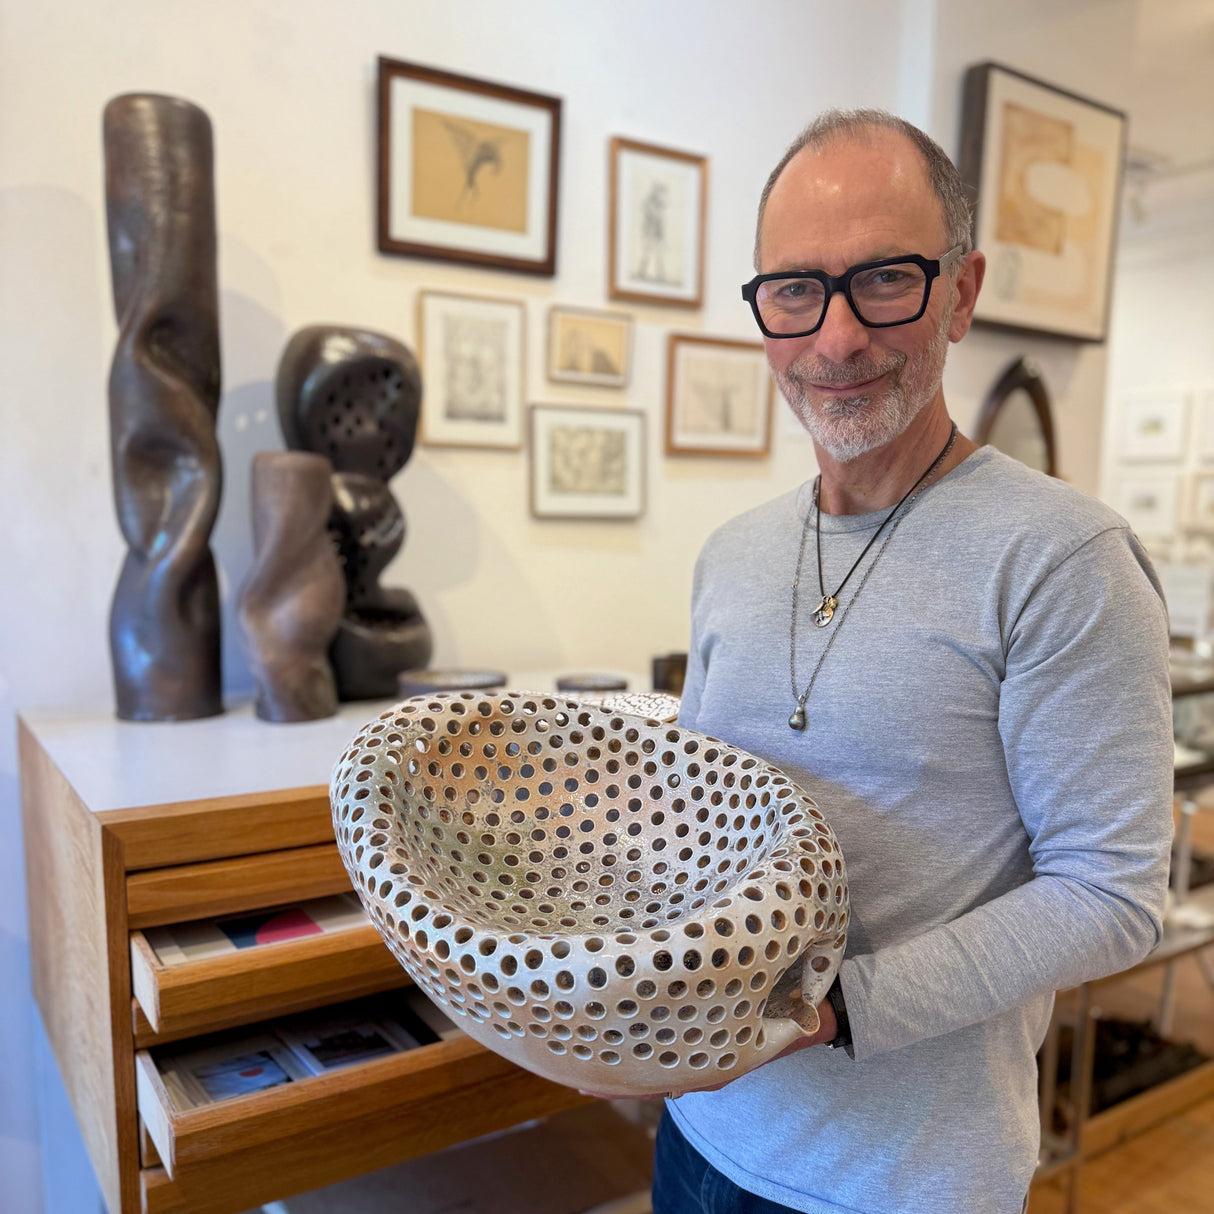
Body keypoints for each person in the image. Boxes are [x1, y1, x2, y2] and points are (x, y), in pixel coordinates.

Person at [656, 110, 1174, 1214]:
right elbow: (696, 807)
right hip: (697, 1127)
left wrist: (832, 1005)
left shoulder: (1062, 558)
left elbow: (1112, 890)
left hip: (898, 1180)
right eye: (793, 289)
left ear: (960, 289)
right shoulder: (730, 555)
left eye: (882, 279)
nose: (834, 339)